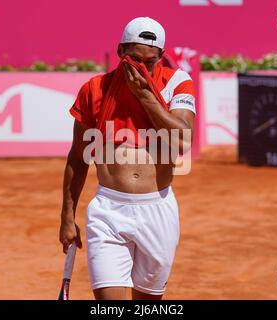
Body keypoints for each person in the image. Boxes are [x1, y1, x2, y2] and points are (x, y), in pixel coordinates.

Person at [59, 17, 196, 300]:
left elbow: (182, 141)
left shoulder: (177, 83)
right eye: (133, 59)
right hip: (108, 210)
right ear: (120, 51)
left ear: (161, 58)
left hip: (157, 210)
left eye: (149, 62)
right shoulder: (94, 89)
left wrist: (144, 96)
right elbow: (77, 157)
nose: (140, 68)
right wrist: (67, 216)